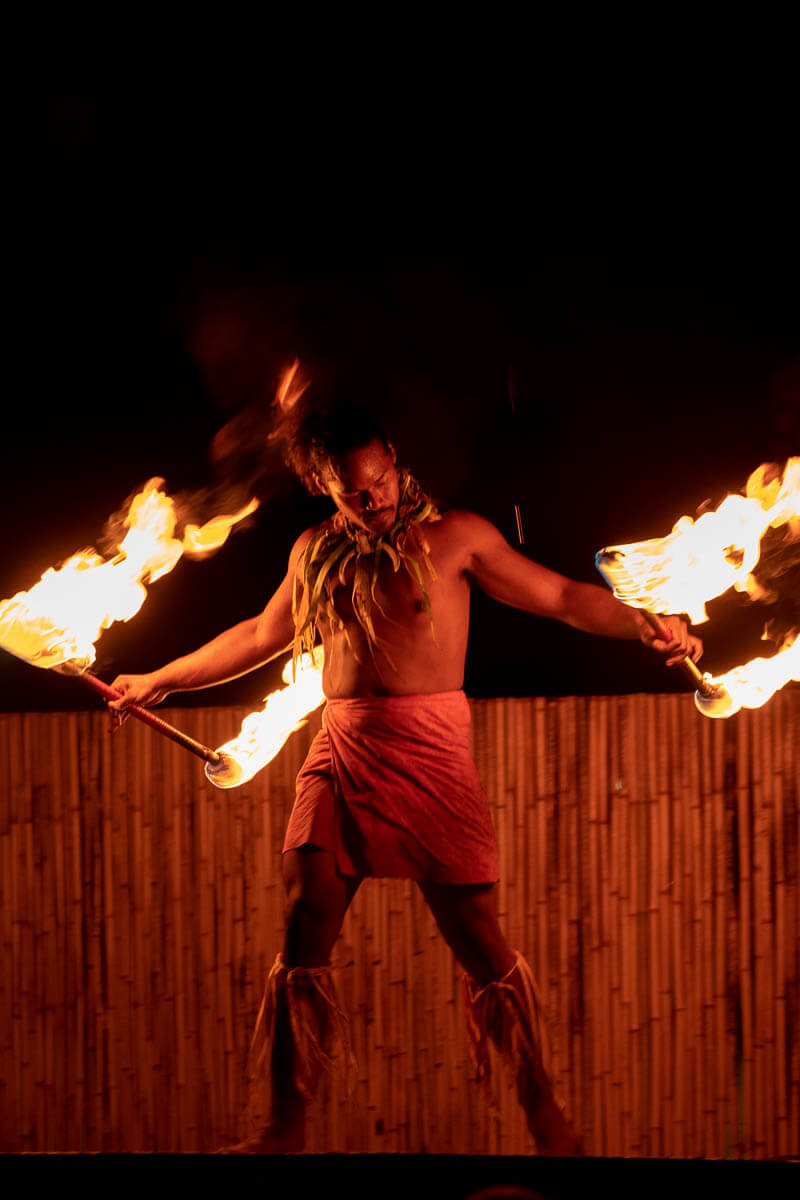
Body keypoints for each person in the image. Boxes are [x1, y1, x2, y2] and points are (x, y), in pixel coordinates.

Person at [109, 405, 702, 1155]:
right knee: (303, 911)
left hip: (429, 749)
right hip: (345, 742)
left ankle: (546, 1118)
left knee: (482, 945)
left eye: (381, 481)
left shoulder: (455, 537)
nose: (374, 499)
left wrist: (641, 621)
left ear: (393, 458)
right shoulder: (313, 551)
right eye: (354, 492)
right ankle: (284, 1130)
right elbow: (262, 635)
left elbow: (557, 595)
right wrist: (159, 678)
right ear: (321, 484)